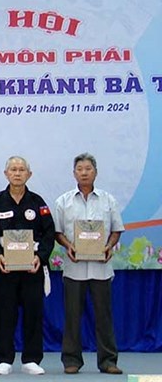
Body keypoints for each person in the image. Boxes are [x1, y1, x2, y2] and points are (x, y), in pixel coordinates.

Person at [53, 153, 124, 375]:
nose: (84, 172)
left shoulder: (108, 200)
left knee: (104, 316)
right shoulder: (63, 201)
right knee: (72, 316)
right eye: (80, 169)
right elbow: (57, 232)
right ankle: (71, 361)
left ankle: (108, 361)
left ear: (95, 172)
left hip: (101, 268)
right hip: (74, 268)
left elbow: (115, 230)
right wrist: (68, 246)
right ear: (74, 173)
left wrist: (109, 246)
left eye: (88, 169)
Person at [0, 156, 55, 376]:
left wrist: (40, 258)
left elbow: (49, 234)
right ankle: (4, 359)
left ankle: (31, 359)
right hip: (4, 269)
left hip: (31, 268)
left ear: (29, 174)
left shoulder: (38, 202)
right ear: (6, 174)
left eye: (21, 169)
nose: (17, 173)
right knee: (4, 313)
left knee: (33, 313)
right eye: (13, 169)